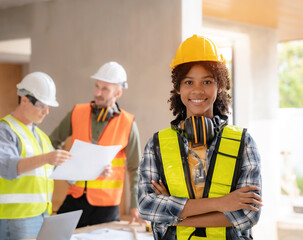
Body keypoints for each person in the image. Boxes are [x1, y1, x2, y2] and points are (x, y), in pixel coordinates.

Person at [138, 35, 262, 240]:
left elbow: (247, 215)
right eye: (189, 82)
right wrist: (220, 204)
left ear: (219, 86)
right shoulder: (157, 144)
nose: (197, 90)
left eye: (207, 81)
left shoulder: (244, 143)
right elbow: (147, 207)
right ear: (178, 88)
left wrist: (173, 215)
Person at [50, 61, 144, 228]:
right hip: (75, 198)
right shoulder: (77, 112)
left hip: (106, 206)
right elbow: (51, 144)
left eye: (105, 89)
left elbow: (135, 167)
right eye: (97, 86)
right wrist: (64, 169)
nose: (98, 93)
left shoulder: (128, 123)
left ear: (118, 92)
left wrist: (135, 204)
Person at [0, 72, 72, 240]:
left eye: (49, 107)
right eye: (42, 105)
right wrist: (47, 158)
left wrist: (91, 169)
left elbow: (53, 170)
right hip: (16, 217)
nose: (46, 111)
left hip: (42, 214)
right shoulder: (2, 131)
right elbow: (8, 168)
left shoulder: (42, 137)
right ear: (24, 100)